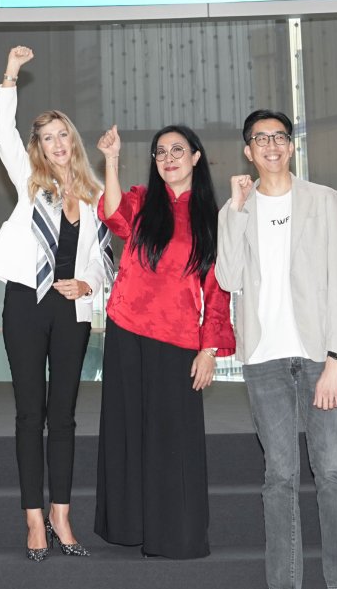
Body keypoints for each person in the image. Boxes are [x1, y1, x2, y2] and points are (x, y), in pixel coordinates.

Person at [216, 109, 337, 589]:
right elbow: (228, 277)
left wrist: (336, 359)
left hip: (318, 354)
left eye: (280, 137)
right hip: (264, 358)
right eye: (261, 139)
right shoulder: (238, 207)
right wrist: (235, 210)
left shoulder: (323, 200)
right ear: (248, 151)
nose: (272, 146)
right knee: (278, 477)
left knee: (332, 471)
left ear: (291, 146)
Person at [0, 45, 111, 559]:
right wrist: (10, 75)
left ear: (73, 141)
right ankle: (33, 518)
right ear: (39, 146)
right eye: (48, 137)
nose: (57, 143)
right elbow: (3, 132)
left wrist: (88, 285)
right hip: (26, 304)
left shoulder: (95, 194)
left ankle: (62, 514)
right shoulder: (30, 183)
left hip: (70, 311)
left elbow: (102, 257)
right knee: (29, 414)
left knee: (65, 416)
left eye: (63, 135)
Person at [95, 121, 235, 559]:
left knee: (173, 438)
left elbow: (217, 290)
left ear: (196, 157)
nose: (168, 158)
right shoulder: (142, 200)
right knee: (127, 430)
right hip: (126, 329)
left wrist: (208, 350)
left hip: (177, 339)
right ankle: (130, 528)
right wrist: (112, 160)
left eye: (177, 150)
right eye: (160, 152)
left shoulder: (213, 218)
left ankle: (175, 535)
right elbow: (113, 215)